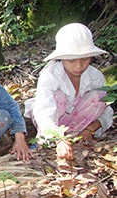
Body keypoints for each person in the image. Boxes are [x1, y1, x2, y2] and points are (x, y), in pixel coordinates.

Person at [24, 23, 113, 162]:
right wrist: (58, 137)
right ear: (62, 58)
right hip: (52, 126)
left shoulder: (95, 76)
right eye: (71, 60)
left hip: (79, 127)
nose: (79, 66)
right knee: (58, 97)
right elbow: (44, 111)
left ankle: (75, 139)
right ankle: (48, 144)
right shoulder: (51, 75)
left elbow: (107, 110)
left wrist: (89, 130)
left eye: (85, 59)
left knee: (99, 97)